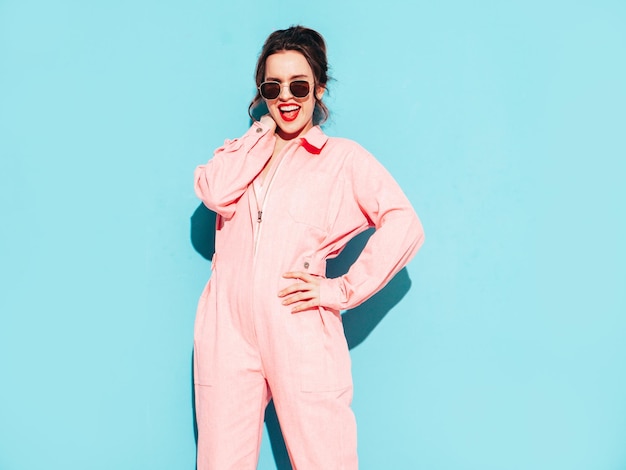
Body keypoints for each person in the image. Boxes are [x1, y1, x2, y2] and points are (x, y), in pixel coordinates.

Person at [193, 25, 424, 469]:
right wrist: (260, 133)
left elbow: (404, 223)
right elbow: (216, 193)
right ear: (261, 93)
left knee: (324, 460)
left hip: (298, 327)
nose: (287, 97)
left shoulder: (342, 160)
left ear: (319, 88)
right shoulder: (243, 153)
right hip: (226, 329)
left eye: (299, 85)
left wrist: (341, 291)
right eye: (272, 86)